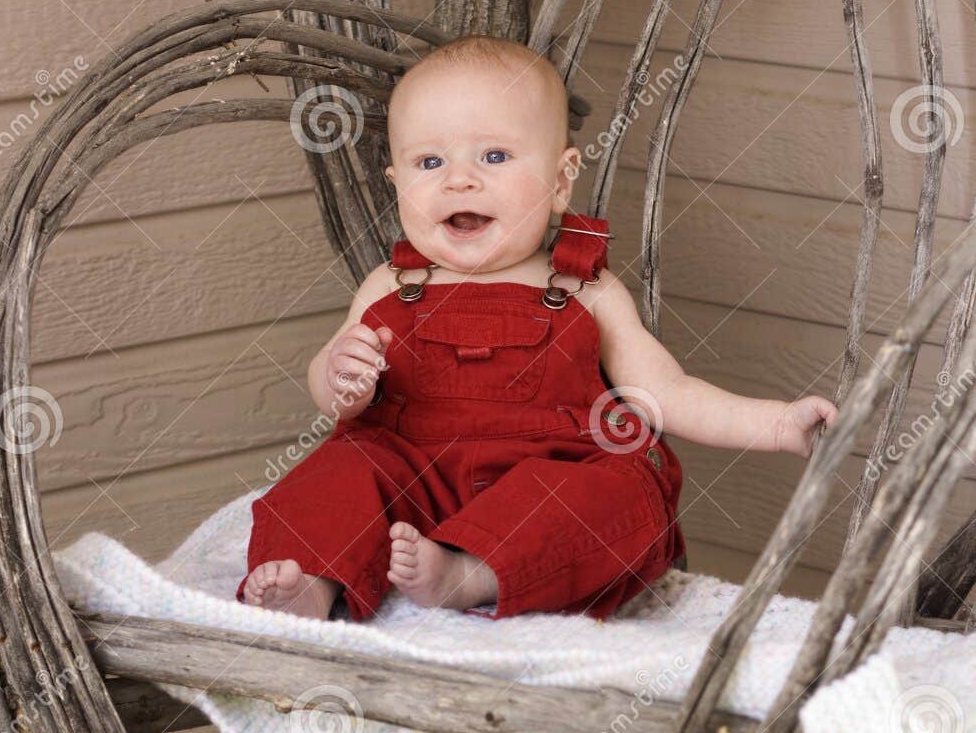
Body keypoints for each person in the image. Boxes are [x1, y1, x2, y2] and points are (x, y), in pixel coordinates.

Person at [238, 36, 836, 621]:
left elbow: (667, 393)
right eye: (430, 162)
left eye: (493, 156)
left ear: (560, 179)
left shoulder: (584, 286)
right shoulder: (389, 284)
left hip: (549, 478)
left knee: (620, 491)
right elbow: (332, 393)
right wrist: (343, 377)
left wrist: (778, 423)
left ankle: (470, 574)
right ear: (397, 185)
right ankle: (313, 583)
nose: (459, 180)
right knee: (335, 472)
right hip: (411, 479)